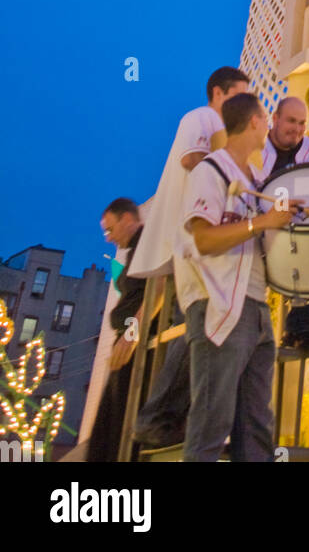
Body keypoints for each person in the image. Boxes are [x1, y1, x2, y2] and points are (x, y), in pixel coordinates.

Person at [174, 92, 304, 462]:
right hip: (220, 305)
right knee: (211, 423)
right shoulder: (210, 170)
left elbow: (258, 238)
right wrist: (262, 221)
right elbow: (202, 238)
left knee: (255, 426)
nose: (268, 126)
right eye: (266, 119)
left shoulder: (254, 179)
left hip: (257, 306)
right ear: (254, 122)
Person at [132, 66, 250, 447]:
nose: (243, 104)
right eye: (237, 95)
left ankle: (172, 417)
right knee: (196, 330)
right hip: (193, 239)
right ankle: (157, 418)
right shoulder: (202, 118)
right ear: (218, 92)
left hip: (202, 239)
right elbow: (191, 159)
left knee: (200, 330)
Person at [259, 94, 309, 353]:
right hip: (260, 233)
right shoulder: (255, 148)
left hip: (301, 234)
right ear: (275, 118)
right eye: (291, 121)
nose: (298, 129)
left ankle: (301, 330)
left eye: (302, 123)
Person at [87, 198, 149, 462]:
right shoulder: (138, 249)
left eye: (110, 229)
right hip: (128, 343)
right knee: (108, 428)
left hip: (135, 348)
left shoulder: (147, 244)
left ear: (126, 219)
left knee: (118, 427)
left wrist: (131, 335)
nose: (108, 238)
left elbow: (153, 293)